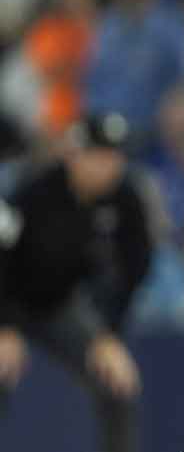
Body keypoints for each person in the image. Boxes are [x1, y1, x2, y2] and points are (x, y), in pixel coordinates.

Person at [0, 112, 153, 452]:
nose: (108, 166)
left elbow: (134, 272)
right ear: (75, 154)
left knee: (117, 381)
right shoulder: (34, 193)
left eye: (114, 156)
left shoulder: (125, 202)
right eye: (98, 155)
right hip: (9, 302)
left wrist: (107, 335)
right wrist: (6, 327)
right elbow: (4, 262)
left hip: (60, 306)